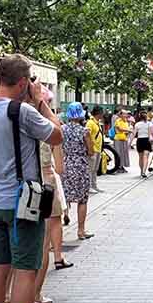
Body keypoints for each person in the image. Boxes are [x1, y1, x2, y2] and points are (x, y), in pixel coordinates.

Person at [0, 54, 63, 303]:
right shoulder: (22, 112)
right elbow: (56, 135)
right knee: (24, 271)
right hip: (22, 204)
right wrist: (42, 104)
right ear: (23, 82)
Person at [33, 141, 73, 303]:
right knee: (43, 242)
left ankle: (7, 294)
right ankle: (35, 295)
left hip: (13, 187)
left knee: (14, 244)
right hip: (46, 184)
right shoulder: (48, 130)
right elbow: (60, 167)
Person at [62, 102, 95, 241]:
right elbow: (91, 151)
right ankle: (81, 231)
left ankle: (63, 222)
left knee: (64, 197)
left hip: (65, 164)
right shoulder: (84, 131)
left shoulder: (61, 129)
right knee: (82, 199)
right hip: (80, 166)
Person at [86, 106, 104, 192]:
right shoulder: (90, 122)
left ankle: (94, 185)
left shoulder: (97, 122)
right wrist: (90, 148)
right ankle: (89, 186)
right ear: (98, 113)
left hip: (98, 148)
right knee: (90, 168)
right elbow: (87, 134)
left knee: (95, 169)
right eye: (102, 113)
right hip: (93, 149)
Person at [133, 111, 153, 178]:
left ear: (140, 117)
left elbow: (134, 134)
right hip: (147, 141)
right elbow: (151, 134)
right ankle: (144, 172)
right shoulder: (150, 124)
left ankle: (141, 171)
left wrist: (130, 142)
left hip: (140, 140)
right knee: (146, 157)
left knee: (140, 157)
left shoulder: (137, 124)